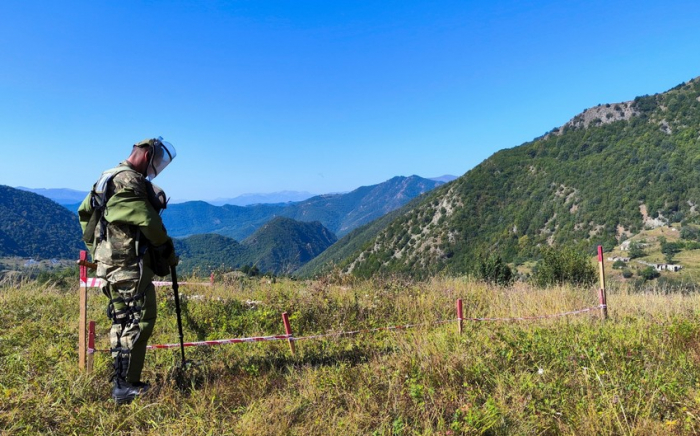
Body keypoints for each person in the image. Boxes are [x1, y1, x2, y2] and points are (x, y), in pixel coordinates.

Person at [78, 137, 179, 405]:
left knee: (121, 320)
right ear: (147, 156)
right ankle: (126, 385)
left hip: (110, 265)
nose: (156, 167)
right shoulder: (130, 180)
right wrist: (167, 251)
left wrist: (98, 254)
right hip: (129, 265)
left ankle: (121, 382)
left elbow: (85, 217)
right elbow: (148, 220)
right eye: (156, 162)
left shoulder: (105, 177)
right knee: (139, 320)